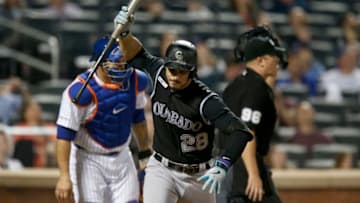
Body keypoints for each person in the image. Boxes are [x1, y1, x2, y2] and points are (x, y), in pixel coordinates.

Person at [114, 6, 252, 203]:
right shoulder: (160, 73)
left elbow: (241, 131)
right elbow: (137, 54)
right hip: (162, 169)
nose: (174, 75)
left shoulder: (205, 100)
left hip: (199, 176)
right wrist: (125, 34)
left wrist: (223, 164)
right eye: (171, 69)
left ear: (192, 72)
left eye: (181, 71)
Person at [54, 36, 151, 203]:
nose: (122, 66)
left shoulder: (135, 80)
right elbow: (64, 136)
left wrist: (145, 156)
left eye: (123, 61)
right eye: (116, 62)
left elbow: (138, 118)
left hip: (122, 155)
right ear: (99, 63)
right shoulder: (80, 92)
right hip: (89, 159)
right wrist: (64, 176)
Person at [218, 26, 287, 203]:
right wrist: (253, 175)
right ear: (262, 61)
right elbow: (246, 132)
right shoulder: (256, 89)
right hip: (241, 174)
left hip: (227, 165)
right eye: (273, 57)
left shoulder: (235, 86)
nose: (277, 61)